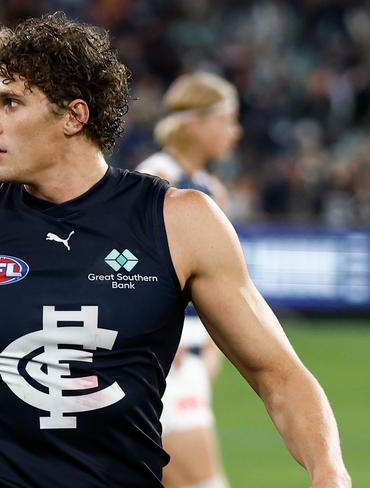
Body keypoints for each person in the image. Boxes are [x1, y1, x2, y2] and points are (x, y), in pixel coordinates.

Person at [0, 12, 350, 488]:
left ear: (74, 117)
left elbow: (279, 376)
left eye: (11, 102)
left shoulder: (179, 222)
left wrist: (330, 473)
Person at [135, 71, 242, 488]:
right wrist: (154, 332)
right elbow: (123, 264)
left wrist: (215, 344)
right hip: (168, 355)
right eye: (227, 119)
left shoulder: (212, 188)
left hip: (193, 352)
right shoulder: (156, 178)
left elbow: (225, 281)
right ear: (194, 124)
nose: (235, 131)